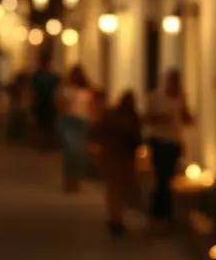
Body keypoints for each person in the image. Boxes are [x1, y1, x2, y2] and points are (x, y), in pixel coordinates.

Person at [144, 69, 194, 234]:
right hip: (159, 141)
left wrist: (187, 115)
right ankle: (159, 216)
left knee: (168, 179)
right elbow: (147, 117)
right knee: (161, 178)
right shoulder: (155, 97)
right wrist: (162, 118)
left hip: (174, 141)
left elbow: (186, 117)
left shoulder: (180, 97)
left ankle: (162, 216)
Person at [91, 93, 143, 236]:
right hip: (121, 157)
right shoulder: (129, 117)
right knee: (118, 188)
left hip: (114, 156)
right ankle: (116, 218)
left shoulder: (113, 115)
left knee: (114, 188)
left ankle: (115, 217)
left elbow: (97, 131)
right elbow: (137, 137)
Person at [55, 65, 95, 193]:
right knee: (70, 151)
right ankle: (68, 180)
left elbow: (92, 106)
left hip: (81, 121)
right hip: (70, 120)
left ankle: (76, 179)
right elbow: (58, 103)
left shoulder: (87, 90)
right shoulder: (66, 89)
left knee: (78, 152)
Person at [30, 53, 61, 150]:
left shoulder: (52, 77)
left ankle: (44, 143)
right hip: (42, 102)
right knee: (42, 125)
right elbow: (33, 91)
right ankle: (42, 143)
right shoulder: (38, 76)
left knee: (46, 125)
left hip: (48, 103)